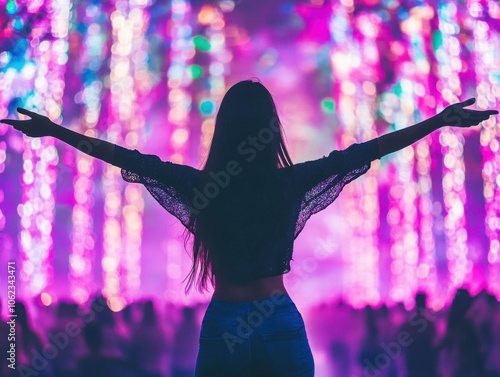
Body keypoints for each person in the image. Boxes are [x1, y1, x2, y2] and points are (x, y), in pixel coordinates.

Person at [1, 80, 497, 376]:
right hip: (280, 322)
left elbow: (124, 157)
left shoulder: (201, 188)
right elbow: (369, 150)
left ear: (224, 131)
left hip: (225, 326)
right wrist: (438, 121)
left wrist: (53, 130)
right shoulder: (289, 185)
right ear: (271, 130)